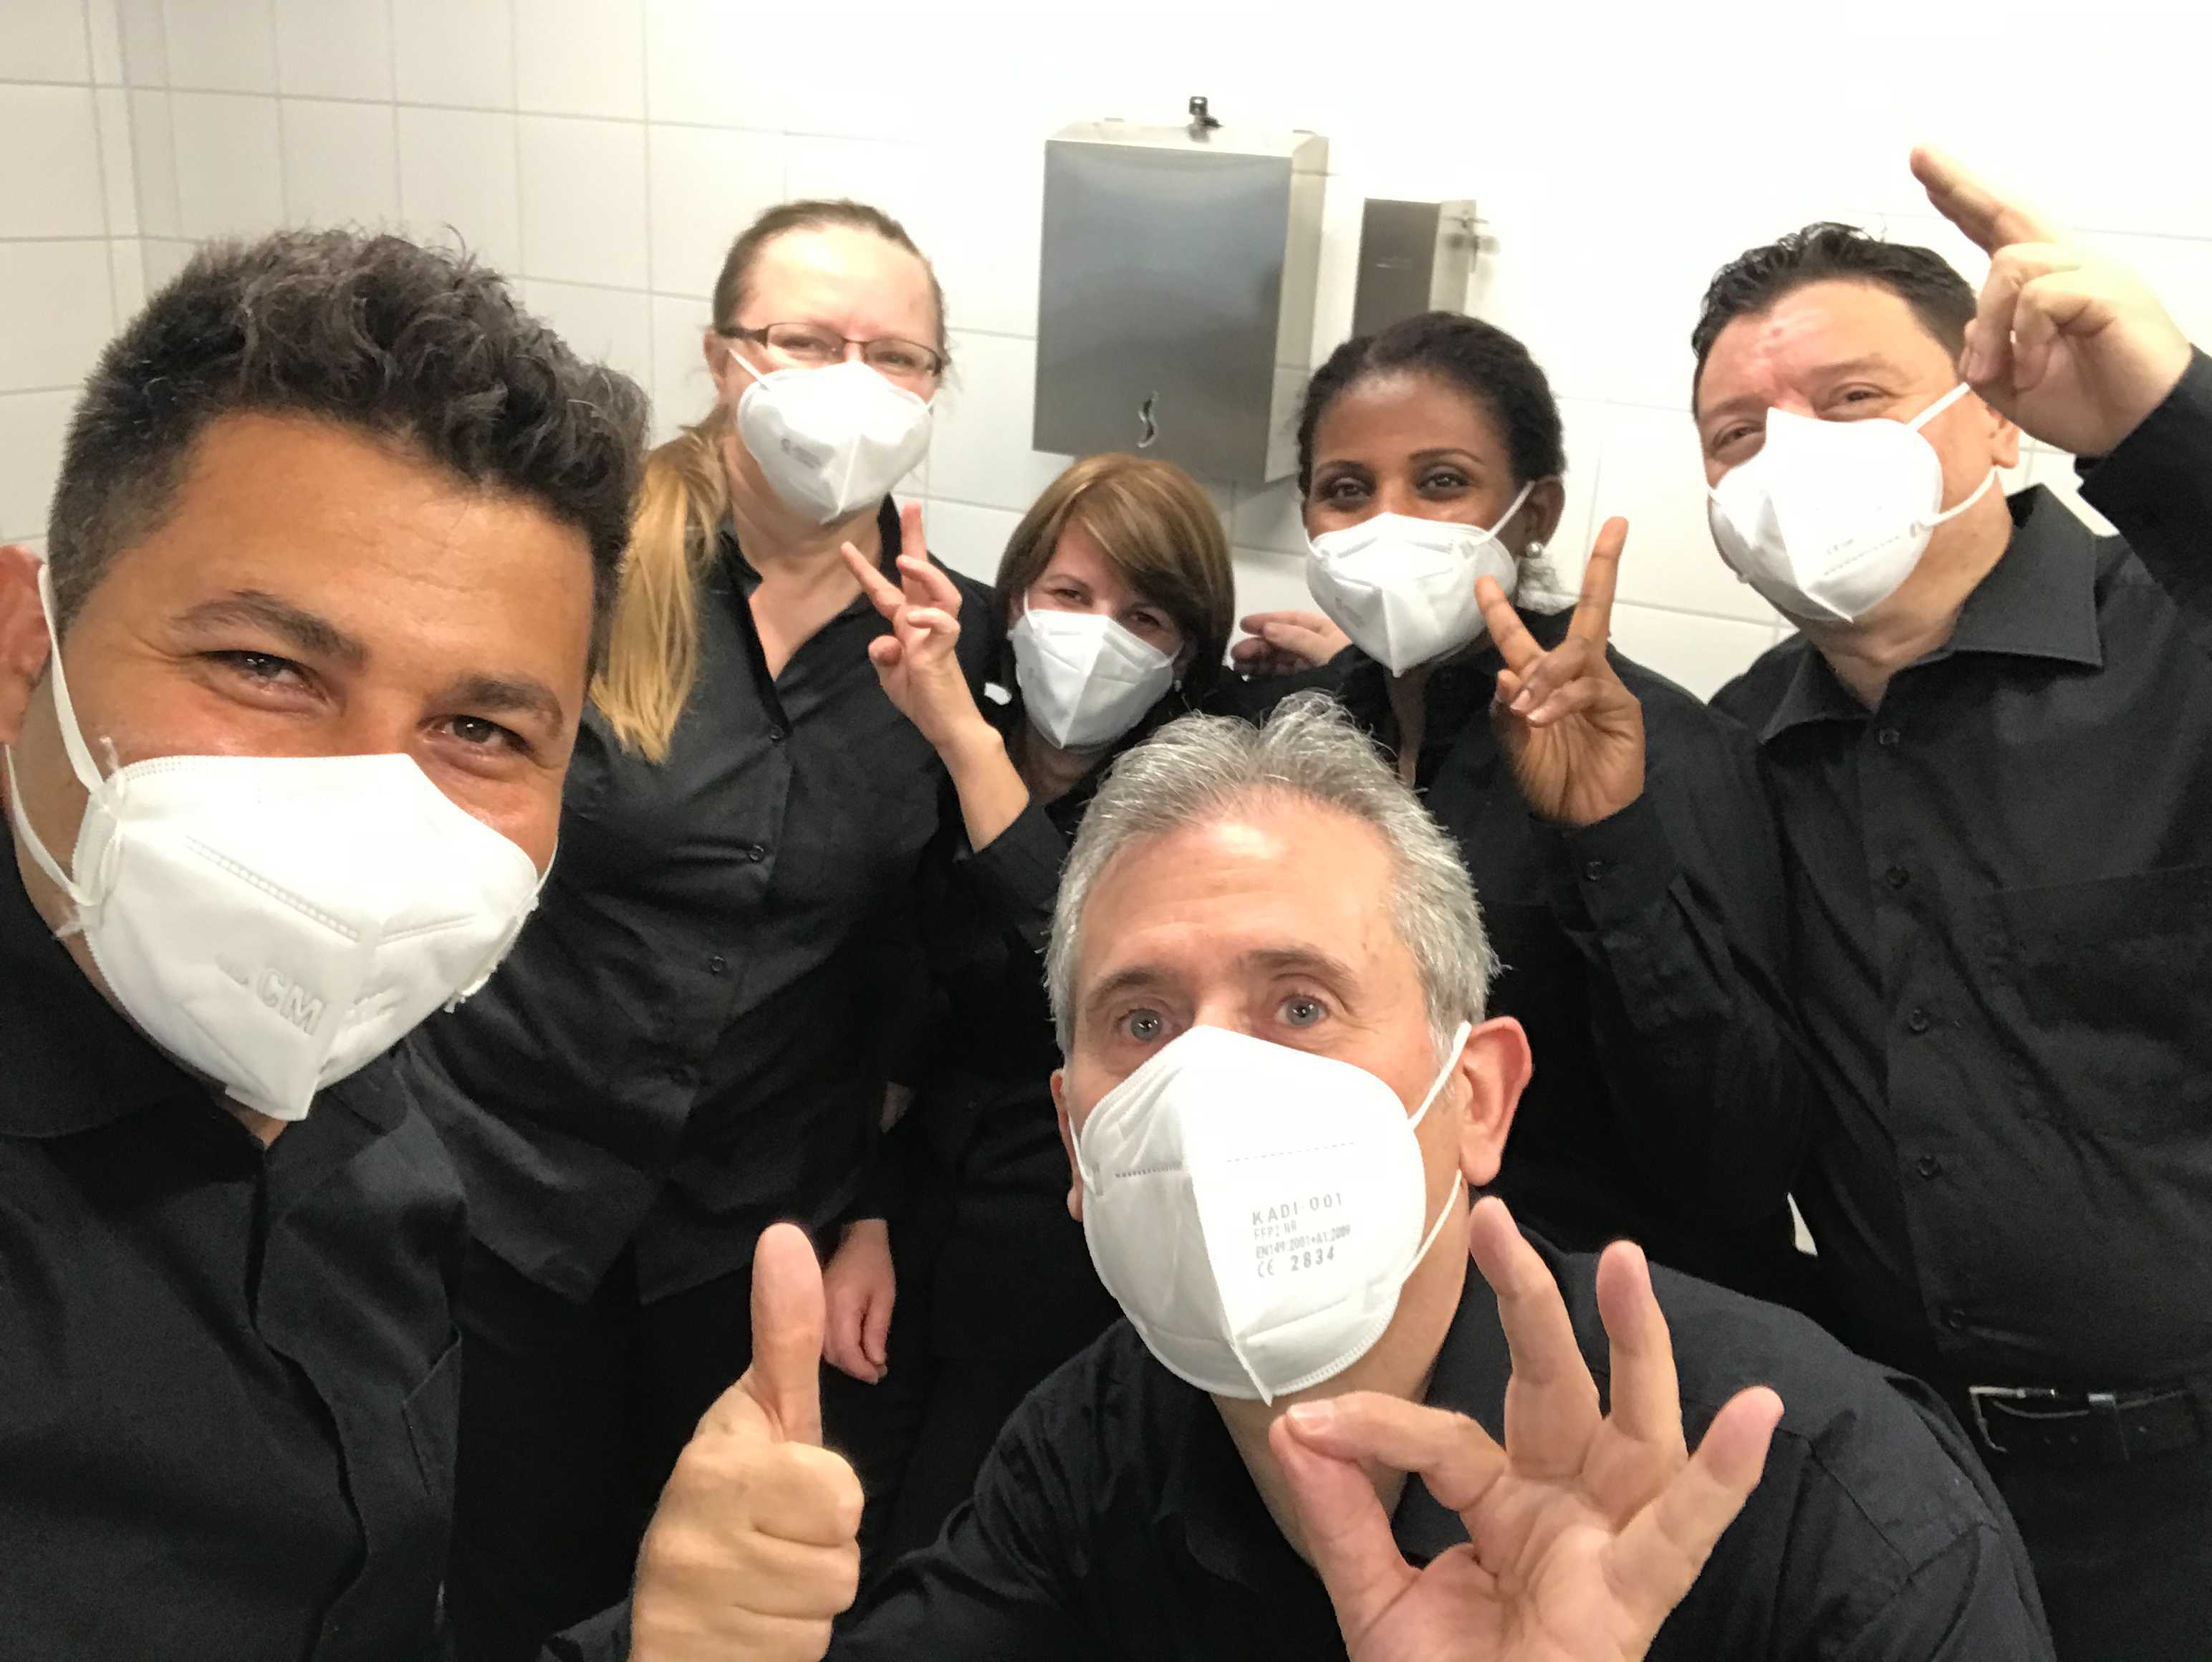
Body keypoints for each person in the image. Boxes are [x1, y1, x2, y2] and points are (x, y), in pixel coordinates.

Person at [569, 696, 2057, 1662]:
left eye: (1298, 1002)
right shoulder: (1098, 1445)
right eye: (1141, 1022)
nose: (1209, 1084)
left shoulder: (1818, 1504)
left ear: (1475, 1096)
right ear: (1077, 1142)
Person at [0, 229, 829, 1662]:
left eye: (480, 729)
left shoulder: (389, 1145)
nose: (369, 809)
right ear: (27, 647)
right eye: (264, 666)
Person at [1567, 146, 2207, 1658]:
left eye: (1850, 400)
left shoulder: (2178, 648)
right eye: (1737, 434)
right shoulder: (1735, 748)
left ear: (1992, 412)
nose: (1787, 457)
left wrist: (2168, 423)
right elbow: (1725, 1126)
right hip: (1898, 1479)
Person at [403, 197, 996, 1658]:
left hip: (753, 1225)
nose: (850, 382)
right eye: (806, 340)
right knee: (511, 1586)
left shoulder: (950, 639)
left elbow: (931, 962)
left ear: (935, 387)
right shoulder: (587, 564)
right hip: (508, 1188)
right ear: (728, 355)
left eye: (894, 355)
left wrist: (878, 1201)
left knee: (716, 1602)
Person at [1236, 313, 1804, 1303]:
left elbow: (1737, 1160)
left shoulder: (1663, 746)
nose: (1387, 522)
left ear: (1533, 512)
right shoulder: (1300, 737)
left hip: (1602, 1313)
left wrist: (1607, 840)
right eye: (1347, 491)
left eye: (1441, 482)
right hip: (1353, 1288)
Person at [827, 453, 1235, 1565]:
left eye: (1143, 616)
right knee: (832, 1535)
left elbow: (1083, 969)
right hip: (913, 1217)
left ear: (1186, 651)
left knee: (961, 1554)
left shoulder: (1193, 802)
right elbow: (896, 1019)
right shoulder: (940, 760)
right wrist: (866, 1218)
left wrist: (963, 741)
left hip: (1065, 1266)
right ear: (1014, 602)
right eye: (1070, 594)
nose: (1097, 635)